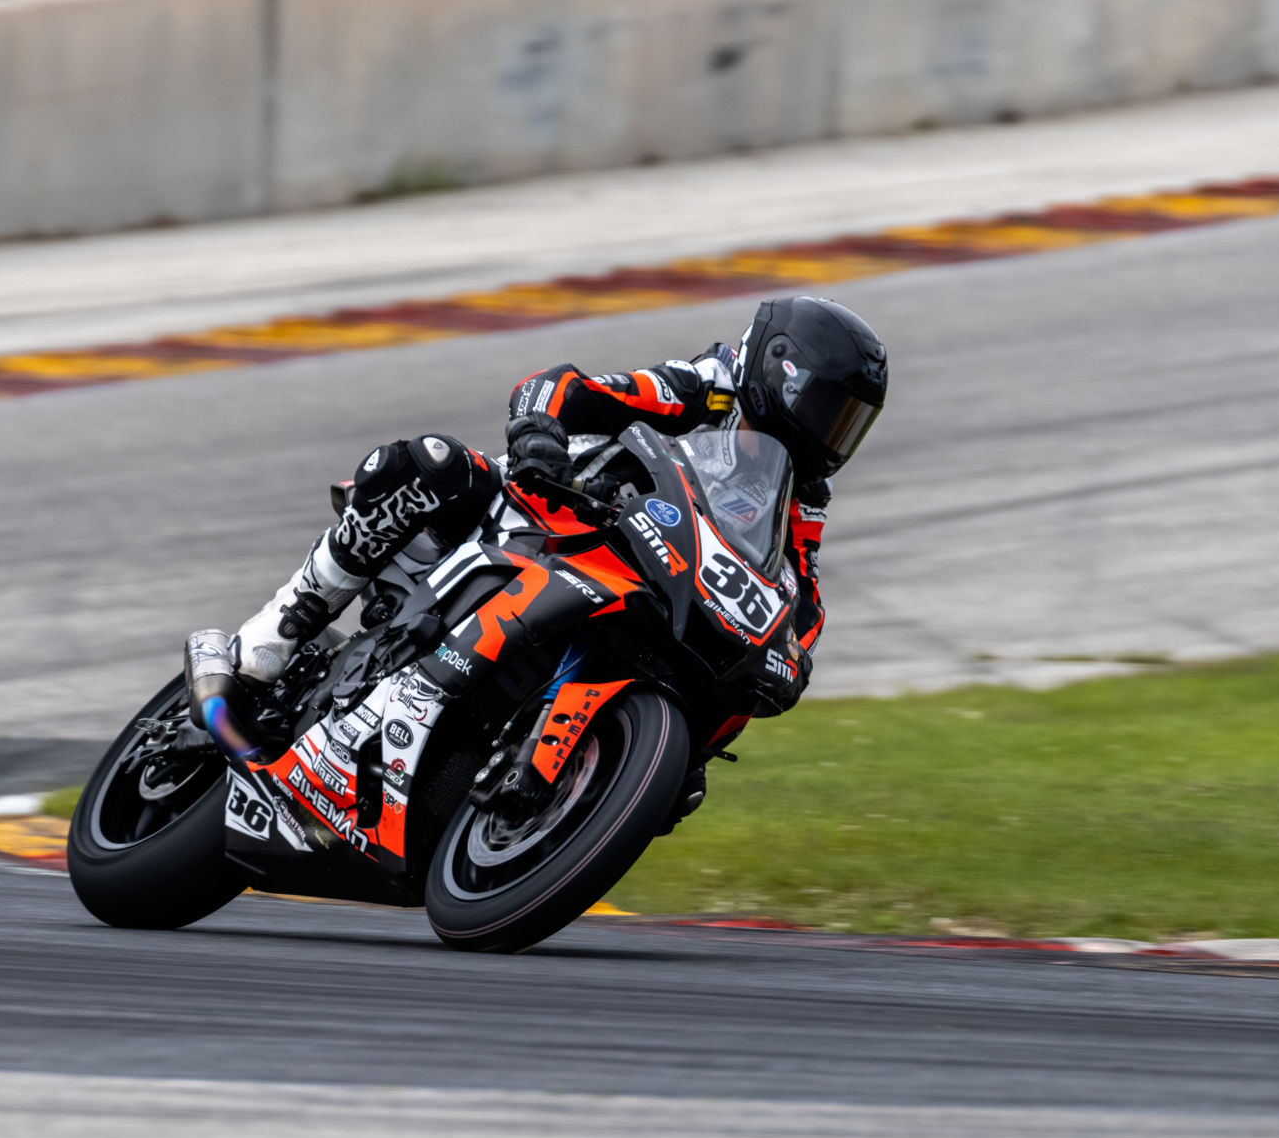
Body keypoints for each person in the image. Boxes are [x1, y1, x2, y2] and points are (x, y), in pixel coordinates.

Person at [203, 295, 886, 780]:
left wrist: (791, 653)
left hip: (628, 584)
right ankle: (277, 630)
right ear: (781, 371)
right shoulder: (701, 391)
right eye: (830, 410)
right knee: (430, 462)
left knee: (741, 672)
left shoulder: (804, 492)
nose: (835, 434)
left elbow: (801, 597)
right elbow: (558, 387)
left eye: (850, 422)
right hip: (530, 517)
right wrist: (539, 437)